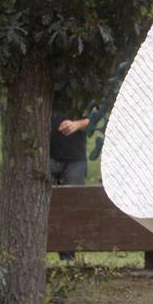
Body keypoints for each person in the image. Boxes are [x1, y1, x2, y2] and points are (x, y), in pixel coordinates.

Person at [50, 111, 90, 260]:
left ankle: (68, 258)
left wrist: (76, 124)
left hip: (75, 160)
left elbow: (98, 117)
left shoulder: (82, 91)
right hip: (47, 156)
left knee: (73, 208)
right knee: (42, 206)